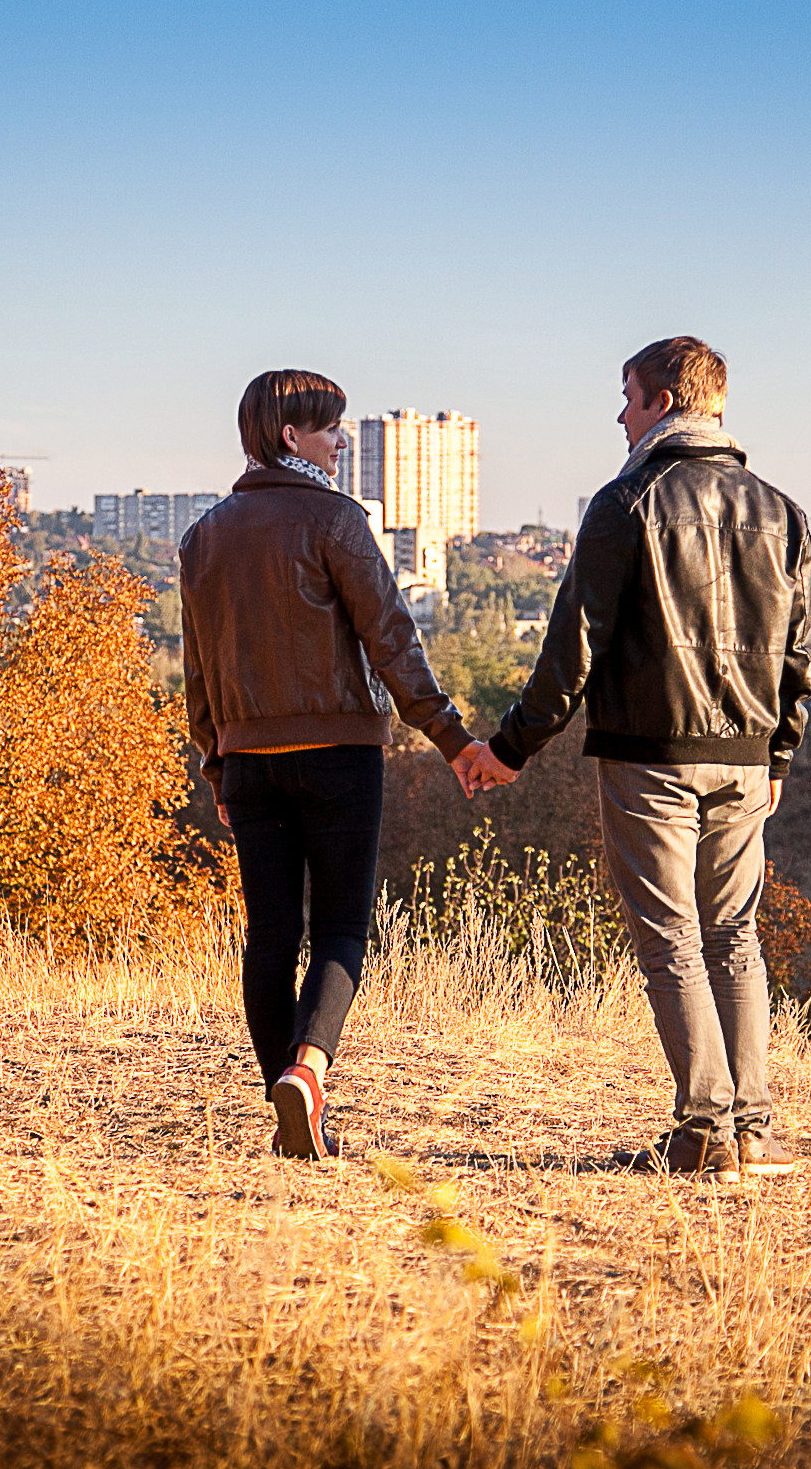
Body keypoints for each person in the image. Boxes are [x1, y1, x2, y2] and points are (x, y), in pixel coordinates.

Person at [455, 337, 811, 1184]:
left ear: (661, 400)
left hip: (650, 756)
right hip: (744, 757)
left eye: (626, 396)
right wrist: (779, 756)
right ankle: (751, 1131)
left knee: (671, 939)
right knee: (735, 936)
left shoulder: (627, 502)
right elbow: (800, 653)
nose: (618, 415)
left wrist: (510, 749)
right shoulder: (781, 511)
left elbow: (573, 645)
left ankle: (702, 1132)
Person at [180, 370, 500, 1160]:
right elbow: (391, 637)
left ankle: (293, 1106)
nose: (339, 440)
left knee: (269, 935)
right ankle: (310, 1071)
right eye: (329, 428)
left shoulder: (204, 536)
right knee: (341, 928)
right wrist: (452, 738)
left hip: (249, 759)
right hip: (340, 753)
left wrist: (218, 767)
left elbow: (198, 669)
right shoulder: (337, 518)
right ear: (291, 435)